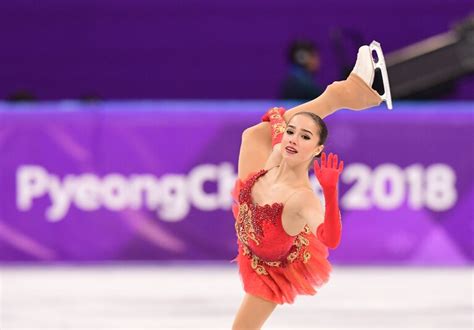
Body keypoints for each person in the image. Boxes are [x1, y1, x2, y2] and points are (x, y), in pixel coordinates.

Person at [231, 41, 392, 330]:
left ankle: (346, 94)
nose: (293, 139)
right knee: (254, 135)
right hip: (252, 238)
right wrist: (287, 126)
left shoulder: (302, 199)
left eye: (305, 138)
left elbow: (329, 239)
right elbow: (272, 130)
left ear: (318, 149)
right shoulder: (278, 152)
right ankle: (346, 94)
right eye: (292, 133)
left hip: (271, 268)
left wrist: (330, 192)